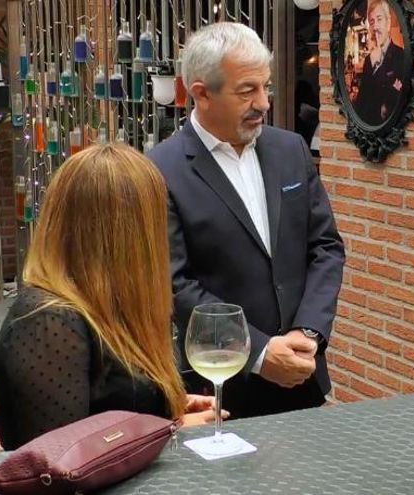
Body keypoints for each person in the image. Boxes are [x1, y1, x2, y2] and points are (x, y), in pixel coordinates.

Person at [148, 23, 345, 418]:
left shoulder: (290, 149)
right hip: (218, 392)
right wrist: (258, 352)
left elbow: (325, 247)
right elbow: (175, 283)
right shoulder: (159, 171)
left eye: (265, 87)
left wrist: (307, 333)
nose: (264, 103)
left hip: (302, 382)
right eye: (247, 91)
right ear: (201, 94)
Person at [0, 145, 222, 450]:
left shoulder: (116, 303)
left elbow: (113, 402)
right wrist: (169, 429)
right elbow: (60, 457)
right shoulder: (47, 321)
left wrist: (168, 406)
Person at [353, 0, 404, 126]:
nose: (375, 27)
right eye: (372, 22)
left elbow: (398, 100)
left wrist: (377, 67)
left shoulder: (401, 55)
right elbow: (362, 101)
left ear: (388, 22)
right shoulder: (368, 59)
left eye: (379, 19)